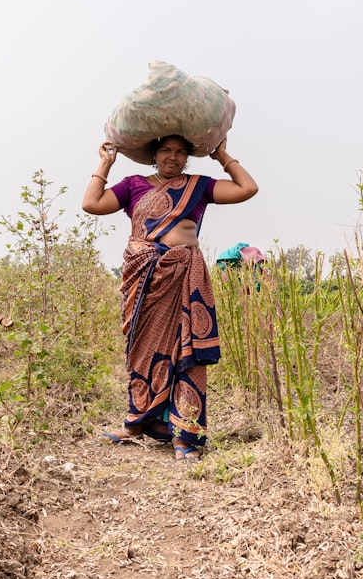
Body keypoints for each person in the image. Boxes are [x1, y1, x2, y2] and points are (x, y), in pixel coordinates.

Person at [82, 135, 258, 461]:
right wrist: (105, 163)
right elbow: (91, 204)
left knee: (185, 354)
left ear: (188, 157)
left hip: (184, 277)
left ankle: (185, 435)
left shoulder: (199, 186)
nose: (173, 157)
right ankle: (135, 423)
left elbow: (247, 188)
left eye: (180, 152)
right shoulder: (133, 185)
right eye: (166, 150)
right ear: (154, 154)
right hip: (144, 278)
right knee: (141, 353)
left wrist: (222, 155)